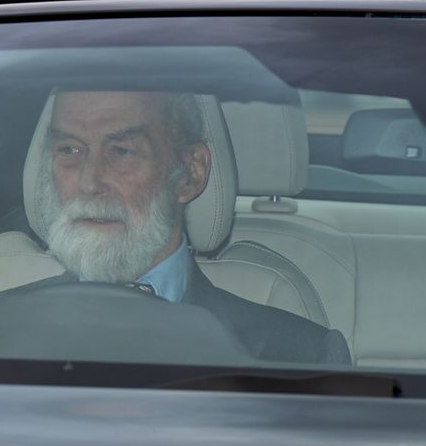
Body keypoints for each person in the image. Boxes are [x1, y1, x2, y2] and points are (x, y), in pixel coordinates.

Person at [29, 89, 350, 365]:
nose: (89, 182)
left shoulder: (300, 355)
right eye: (69, 149)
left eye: (121, 151)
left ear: (191, 173)